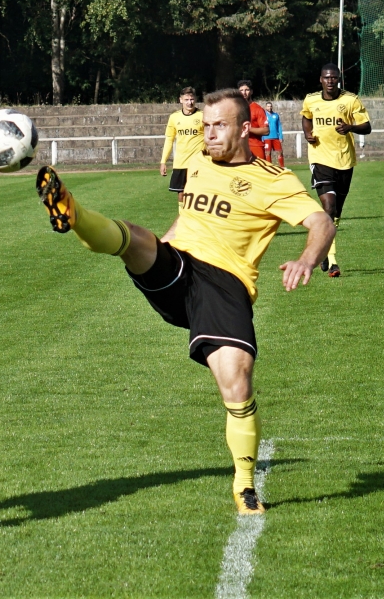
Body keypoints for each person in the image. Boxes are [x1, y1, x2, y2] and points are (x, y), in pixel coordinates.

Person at [34, 89, 335, 515]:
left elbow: (321, 221)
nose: (208, 134)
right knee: (137, 238)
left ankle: (245, 485)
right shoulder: (195, 162)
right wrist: (163, 247)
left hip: (225, 284)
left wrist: (308, 258)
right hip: (178, 266)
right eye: (206, 125)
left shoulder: (274, 180)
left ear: (244, 128)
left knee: (237, 378)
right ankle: (72, 211)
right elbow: (187, 219)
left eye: (219, 125)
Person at [301, 63, 372, 277]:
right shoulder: (311, 99)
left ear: (339, 79)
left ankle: (323, 248)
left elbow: (367, 126)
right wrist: (308, 133)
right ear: (320, 79)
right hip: (320, 158)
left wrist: (351, 127)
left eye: (334, 77)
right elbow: (306, 117)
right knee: (329, 207)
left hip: (344, 160)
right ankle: (332, 260)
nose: (330, 81)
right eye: (326, 77)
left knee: (336, 213)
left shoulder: (350, 100)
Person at [159, 86, 204, 201]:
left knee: (198, 194)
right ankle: (183, 218)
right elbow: (169, 140)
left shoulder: (202, 116)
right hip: (180, 163)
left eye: (192, 99)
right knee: (181, 194)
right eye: (186, 100)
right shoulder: (174, 117)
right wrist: (163, 161)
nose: (189, 102)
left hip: (198, 163)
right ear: (181, 100)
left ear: (195, 99)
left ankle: (197, 218)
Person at [237, 80, 269, 160]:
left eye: (247, 90)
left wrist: (248, 129)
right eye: (241, 90)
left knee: (259, 172)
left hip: (255, 146)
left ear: (251, 92)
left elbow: (266, 131)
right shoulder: (235, 109)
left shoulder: (258, 109)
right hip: (239, 146)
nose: (244, 93)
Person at [263, 102, 285, 168]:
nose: (269, 107)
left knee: (280, 152)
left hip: (276, 137)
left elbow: (279, 126)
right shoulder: (264, 115)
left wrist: (280, 136)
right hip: (267, 137)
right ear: (266, 107)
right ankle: (270, 167)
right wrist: (261, 138)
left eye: (270, 106)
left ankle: (282, 167)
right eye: (268, 106)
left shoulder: (276, 115)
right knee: (267, 153)